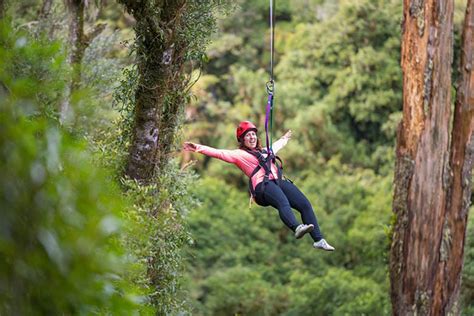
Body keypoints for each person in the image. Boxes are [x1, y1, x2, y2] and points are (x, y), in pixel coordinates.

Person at [183, 121, 335, 251]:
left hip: (277, 182)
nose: (252, 137)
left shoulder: (265, 151)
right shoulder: (239, 155)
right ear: (242, 140)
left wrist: (285, 138)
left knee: (305, 204)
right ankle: (296, 227)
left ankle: (318, 240)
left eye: (253, 134)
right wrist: (197, 147)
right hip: (262, 187)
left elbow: (277, 146)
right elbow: (219, 153)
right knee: (283, 202)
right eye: (247, 135)